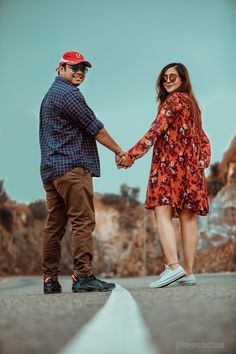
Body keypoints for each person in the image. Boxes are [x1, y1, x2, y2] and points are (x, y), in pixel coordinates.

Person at [118, 63, 211, 288]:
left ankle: (173, 266)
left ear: (182, 79)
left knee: (162, 213)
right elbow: (203, 138)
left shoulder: (173, 101)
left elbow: (154, 131)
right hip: (191, 171)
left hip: (169, 169)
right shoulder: (193, 105)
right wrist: (204, 160)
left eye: (172, 77)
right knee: (188, 218)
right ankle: (188, 272)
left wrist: (131, 155)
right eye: (164, 77)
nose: (167, 81)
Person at [39, 51, 124, 294]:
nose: (79, 72)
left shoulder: (50, 95)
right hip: (71, 169)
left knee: (54, 225)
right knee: (83, 221)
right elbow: (95, 128)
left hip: (51, 170)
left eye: (83, 69)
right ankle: (83, 277)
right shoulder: (68, 95)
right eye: (74, 67)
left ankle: (50, 280)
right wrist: (119, 151)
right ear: (61, 68)